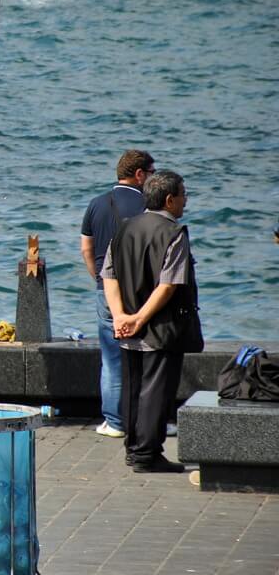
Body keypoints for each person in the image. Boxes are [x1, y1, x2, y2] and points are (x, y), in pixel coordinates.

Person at [102, 170, 201, 473]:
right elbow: (169, 286)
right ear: (170, 200)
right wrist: (139, 318)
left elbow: (109, 276)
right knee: (157, 392)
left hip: (126, 327)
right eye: (183, 195)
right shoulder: (174, 233)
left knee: (132, 391)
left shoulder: (124, 229)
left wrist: (120, 316)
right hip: (159, 328)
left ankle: (134, 450)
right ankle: (147, 454)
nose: (185, 200)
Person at [80, 150, 155, 438]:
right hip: (142, 291)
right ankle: (147, 420)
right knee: (147, 356)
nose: (152, 178)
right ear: (139, 174)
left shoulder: (97, 204)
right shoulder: (149, 205)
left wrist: (99, 277)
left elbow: (86, 248)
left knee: (111, 358)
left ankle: (114, 422)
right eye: (151, 172)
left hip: (105, 289)